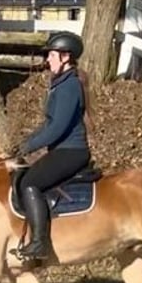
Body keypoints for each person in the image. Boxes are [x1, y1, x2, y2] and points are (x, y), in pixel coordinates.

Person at [11, 31, 93, 261]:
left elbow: (57, 128)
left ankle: (39, 243)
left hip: (71, 151)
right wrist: (22, 144)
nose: (47, 60)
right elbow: (48, 124)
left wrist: (29, 147)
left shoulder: (69, 86)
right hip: (62, 150)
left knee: (30, 183)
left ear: (66, 57)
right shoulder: (61, 84)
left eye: (51, 55)